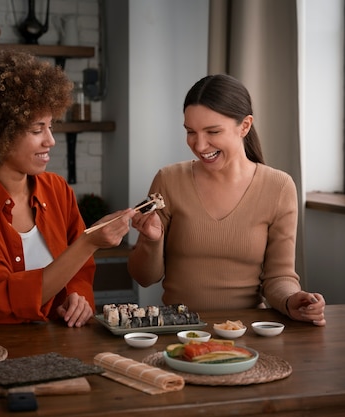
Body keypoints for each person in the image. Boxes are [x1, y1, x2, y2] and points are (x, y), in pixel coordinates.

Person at [0, 50, 134, 327]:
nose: (50, 140)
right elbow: (0, 298)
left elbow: (80, 272)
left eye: (50, 127)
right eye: (36, 129)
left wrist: (77, 298)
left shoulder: (57, 189)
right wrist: (89, 242)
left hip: (58, 341)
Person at [128, 74, 326, 326]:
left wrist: (292, 300)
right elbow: (144, 277)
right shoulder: (168, 180)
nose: (199, 145)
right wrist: (150, 240)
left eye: (213, 131)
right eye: (191, 132)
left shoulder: (279, 186)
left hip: (247, 331)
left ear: (244, 126)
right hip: (180, 329)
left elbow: (279, 276)